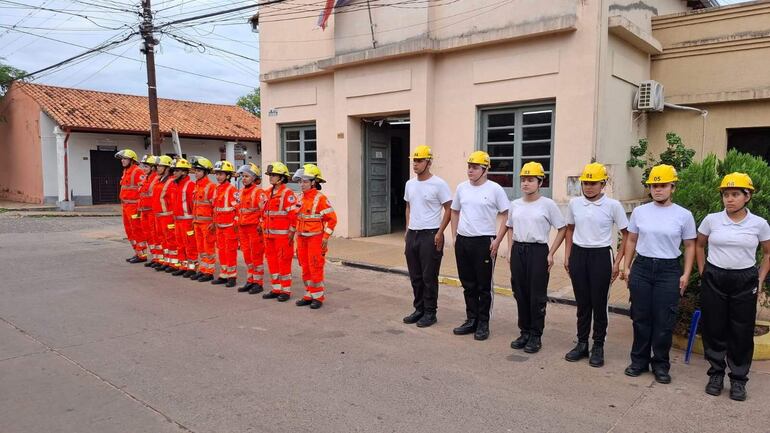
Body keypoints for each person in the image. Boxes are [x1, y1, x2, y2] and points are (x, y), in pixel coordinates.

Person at [696, 172, 770, 401]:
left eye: (735, 194)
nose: (729, 199)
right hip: (715, 276)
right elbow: (699, 246)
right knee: (714, 327)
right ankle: (716, 374)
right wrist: (704, 272)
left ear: (747, 196)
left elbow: (767, 253)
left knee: (741, 330)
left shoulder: (759, 224)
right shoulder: (711, 220)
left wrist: (759, 279)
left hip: (744, 279)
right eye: (726, 194)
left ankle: (738, 379)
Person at [623, 164, 696, 384]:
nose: (658, 190)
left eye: (663, 185)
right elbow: (631, 240)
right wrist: (627, 266)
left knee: (664, 321)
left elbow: (690, 246)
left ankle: (661, 365)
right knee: (640, 318)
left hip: (668, 270)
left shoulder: (683, 215)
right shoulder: (640, 212)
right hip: (642, 267)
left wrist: (686, 274)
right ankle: (638, 361)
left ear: (673, 187)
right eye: (654, 186)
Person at [563, 162, 628, 366]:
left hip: (601, 255)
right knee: (582, 303)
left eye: (593, 183)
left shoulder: (613, 205)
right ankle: (582, 343)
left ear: (603, 184)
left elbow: (626, 235)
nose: (589, 187)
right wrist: (567, 255)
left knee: (599, 304)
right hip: (578, 254)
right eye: (586, 183)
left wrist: (618, 262)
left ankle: (598, 346)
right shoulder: (574, 204)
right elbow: (569, 229)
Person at [502, 161, 566, 354]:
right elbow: (510, 227)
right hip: (518, 250)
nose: (525, 183)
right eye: (523, 179)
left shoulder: (548, 205)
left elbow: (562, 228)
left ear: (540, 182)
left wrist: (551, 253)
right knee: (520, 293)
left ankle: (536, 335)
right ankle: (524, 332)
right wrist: (510, 249)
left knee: (536, 295)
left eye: (530, 180)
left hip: (538, 251)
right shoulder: (515, 204)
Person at [450, 150, 510, 341]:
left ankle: (483, 323)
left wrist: (497, 240)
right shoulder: (462, 188)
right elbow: (454, 211)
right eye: (469, 167)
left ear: (485, 170)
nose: (470, 170)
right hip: (463, 240)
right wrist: (454, 235)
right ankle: (471, 319)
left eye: (475, 167)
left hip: (484, 241)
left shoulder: (495, 189)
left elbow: (507, 215)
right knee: (468, 284)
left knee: (484, 285)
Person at [402, 145, 452, 327]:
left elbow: (449, 209)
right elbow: (408, 207)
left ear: (429, 163)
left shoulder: (439, 184)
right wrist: (407, 229)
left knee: (428, 276)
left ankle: (430, 312)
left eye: (419, 160)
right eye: (414, 161)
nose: (415, 164)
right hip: (413, 234)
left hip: (430, 234)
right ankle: (419, 309)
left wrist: (440, 232)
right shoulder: (410, 184)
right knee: (415, 276)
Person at [293, 163, 337, 309]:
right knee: (305, 267)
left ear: (314, 182)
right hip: (301, 238)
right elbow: (296, 217)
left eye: (305, 181)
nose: (302, 184)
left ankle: (318, 297)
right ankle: (308, 294)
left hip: (315, 239)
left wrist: (325, 237)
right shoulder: (299, 198)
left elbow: (332, 219)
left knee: (315, 267)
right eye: (300, 181)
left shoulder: (321, 199)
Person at [262, 162, 299, 302]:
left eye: (274, 175)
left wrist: (292, 232)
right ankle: (276, 288)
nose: (271, 177)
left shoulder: (287, 194)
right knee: (272, 262)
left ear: (282, 178)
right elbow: (263, 213)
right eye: (270, 175)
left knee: (283, 263)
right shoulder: (267, 193)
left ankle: (286, 290)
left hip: (283, 237)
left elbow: (293, 215)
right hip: (269, 235)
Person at [235, 163, 268, 294]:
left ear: (254, 178)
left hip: (254, 229)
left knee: (256, 256)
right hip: (243, 228)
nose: (244, 179)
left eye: (247, 176)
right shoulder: (240, 192)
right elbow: (237, 210)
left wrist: (261, 225)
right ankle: (250, 280)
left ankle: (258, 283)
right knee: (247, 256)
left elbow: (264, 212)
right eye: (243, 176)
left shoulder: (259, 193)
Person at [115, 149, 148, 263]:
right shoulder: (126, 171)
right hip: (126, 206)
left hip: (134, 206)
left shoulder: (137, 171)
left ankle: (142, 255)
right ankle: (137, 253)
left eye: (125, 159)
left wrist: (140, 206)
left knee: (137, 230)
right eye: (122, 159)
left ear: (132, 160)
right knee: (129, 231)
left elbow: (143, 189)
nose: (122, 161)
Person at [211, 160, 239, 287]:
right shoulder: (217, 189)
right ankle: (223, 274)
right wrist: (214, 222)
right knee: (221, 251)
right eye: (217, 174)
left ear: (227, 175)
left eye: (221, 174)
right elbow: (215, 208)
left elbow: (238, 209)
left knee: (230, 251)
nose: (218, 176)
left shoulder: (232, 190)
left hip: (229, 227)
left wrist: (235, 225)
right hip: (220, 226)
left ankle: (232, 277)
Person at [190, 156, 216, 282]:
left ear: (205, 172)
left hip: (207, 224)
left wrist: (214, 222)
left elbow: (215, 207)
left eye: (199, 171)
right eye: (195, 170)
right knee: (201, 249)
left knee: (208, 249)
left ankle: (209, 272)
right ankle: (203, 269)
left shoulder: (210, 187)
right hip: (197, 222)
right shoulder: (197, 186)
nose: (196, 173)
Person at [171, 158, 198, 278]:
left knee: (190, 245)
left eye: (177, 170)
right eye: (173, 170)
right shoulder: (175, 184)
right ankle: (183, 266)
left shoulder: (190, 185)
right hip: (177, 220)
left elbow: (193, 205)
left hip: (188, 221)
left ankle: (192, 268)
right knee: (180, 244)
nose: (174, 173)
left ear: (184, 172)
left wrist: (194, 221)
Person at [151, 155, 177, 272]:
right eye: (157, 166)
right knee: (163, 240)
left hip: (168, 216)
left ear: (167, 168)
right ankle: (167, 261)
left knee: (171, 240)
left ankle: (174, 263)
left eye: (160, 166)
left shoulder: (171, 181)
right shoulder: (159, 180)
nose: (157, 168)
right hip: (159, 215)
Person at [137, 155, 159, 267]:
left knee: (154, 235)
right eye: (143, 166)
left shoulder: (156, 179)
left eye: (146, 166)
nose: (144, 169)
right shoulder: (146, 178)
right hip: (144, 211)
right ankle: (155, 257)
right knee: (148, 235)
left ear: (153, 168)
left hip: (152, 211)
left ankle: (158, 258)